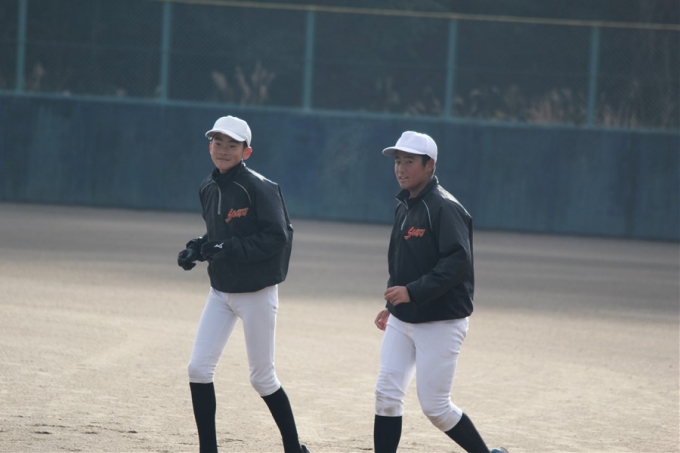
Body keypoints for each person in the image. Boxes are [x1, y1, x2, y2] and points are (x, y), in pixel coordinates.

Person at [177, 115, 309, 453]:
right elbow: (218, 234)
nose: (223, 149)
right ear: (210, 147)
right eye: (218, 142)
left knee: (262, 378)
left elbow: (278, 237)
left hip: (256, 293)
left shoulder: (261, 187)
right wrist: (196, 247)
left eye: (232, 145)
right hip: (220, 292)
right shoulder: (207, 187)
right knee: (198, 369)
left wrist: (229, 248)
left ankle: (294, 448)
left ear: (246, 152)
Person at [373, 131, 508, 453]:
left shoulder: (445, 207)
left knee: (435, 407)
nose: (401, 168)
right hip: (404, 317)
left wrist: (413, 292)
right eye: (398, 161)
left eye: (409, 161)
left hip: (441, 320)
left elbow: (458, 262)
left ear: (430, 165)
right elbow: (401, 263)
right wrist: (392, 305)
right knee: (386, 395)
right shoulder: (405, 206)